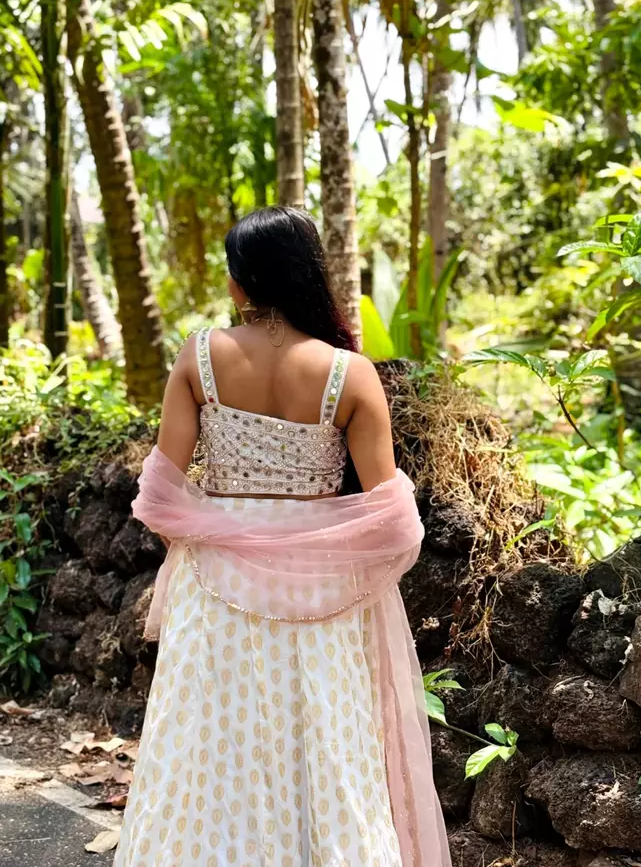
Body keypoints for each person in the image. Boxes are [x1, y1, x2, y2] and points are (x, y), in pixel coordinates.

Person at [114, 207, 451, 867]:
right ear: (307, 275)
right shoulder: (349, 373)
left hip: (215, 590)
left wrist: (218, 527)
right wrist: (320, 542)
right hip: (324, 598)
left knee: (207, 755)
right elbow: (394, 521)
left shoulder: (199, 357)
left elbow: (158, 497)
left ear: (241, 281)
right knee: (325, 753)